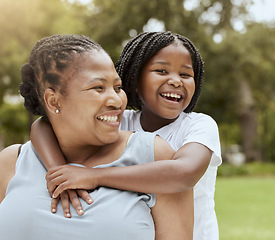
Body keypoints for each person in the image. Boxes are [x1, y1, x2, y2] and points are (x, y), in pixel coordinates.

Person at [0, 34, 193, 240]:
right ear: (54, 101)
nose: (117, 101)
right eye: (98, 88)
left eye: (118, 88)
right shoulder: (12, 161)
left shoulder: (154, 156)